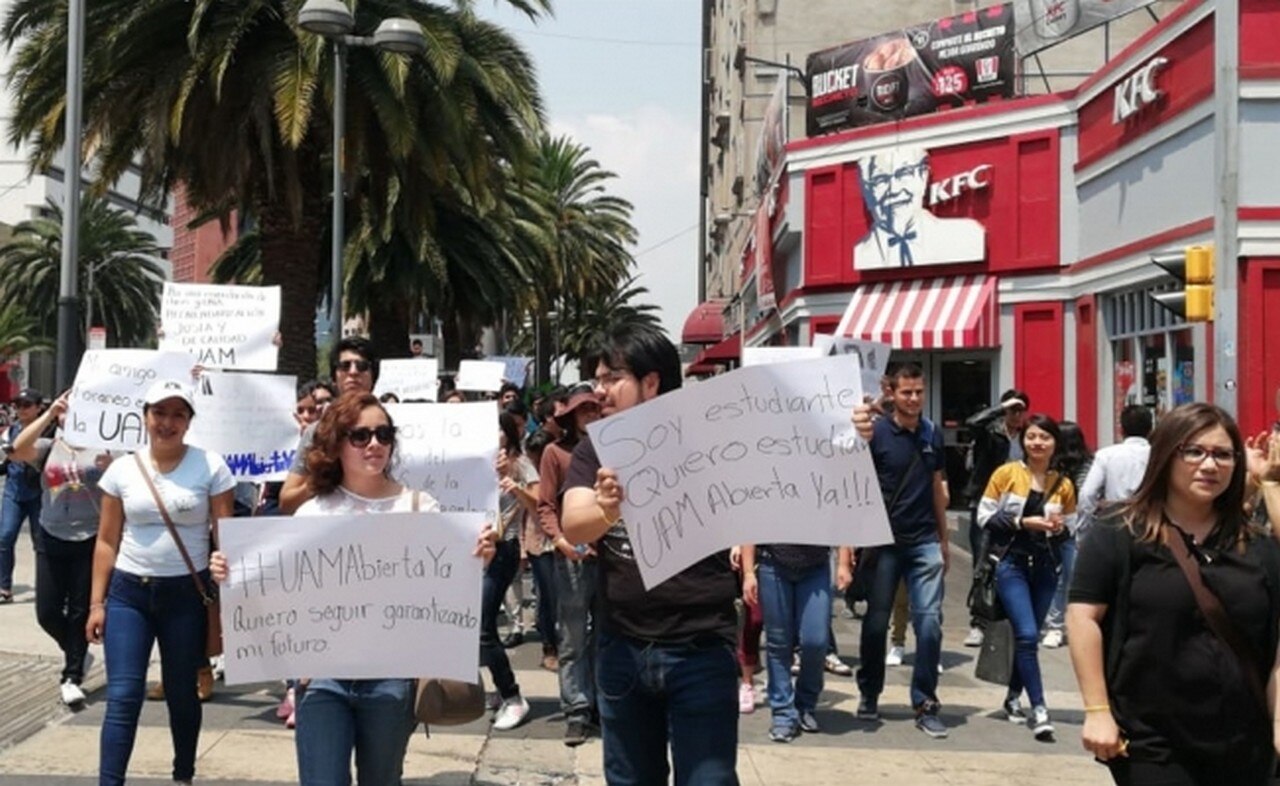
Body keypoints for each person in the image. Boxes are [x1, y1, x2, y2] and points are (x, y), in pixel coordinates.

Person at [212, 391, 496, 785]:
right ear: (337, 444)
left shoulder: (420, 507)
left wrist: (477, 557)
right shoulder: (313, 512)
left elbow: (447, 586)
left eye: (383, 434)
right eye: (360, 436)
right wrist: (232, 573)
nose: (374, 444)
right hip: (321, 676)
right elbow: (276, 588)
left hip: (391, 676)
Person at [562, 326, 739, 785]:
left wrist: (848, 435)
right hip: (622, 646)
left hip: (701, 651)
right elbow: (574, 523)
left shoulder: (712, 438)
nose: (600, 390)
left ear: (652, 382)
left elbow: (792, 459)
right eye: (597, 379)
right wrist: (607, 508)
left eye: (612, 378)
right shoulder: (594, 449)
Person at [1067, 403, 1280, 785]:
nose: (1209, 465)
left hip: (1245, 743)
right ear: (1166, 454)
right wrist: (1097, 710)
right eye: (1194, 451)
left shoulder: (1257, 545)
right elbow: (1083, 617)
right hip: (1153, 741)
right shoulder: (1120, 530)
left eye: (1223, 455)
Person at [87, 380, 236, 786]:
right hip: (128, 594)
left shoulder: (211, 467)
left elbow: (226, 535)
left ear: (189, 422)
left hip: (186, 596)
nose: (167, 422)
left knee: (182, 693)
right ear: (145, 417)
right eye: (159, 413)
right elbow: (106, 540)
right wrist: (97, 603)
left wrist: (225, 568)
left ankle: (183, 775)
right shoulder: (122, 470)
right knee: (122, 696)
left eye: (178, 414)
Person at [848, 363, 950, 738]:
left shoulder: (932, 433)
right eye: (907, 392)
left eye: (919, 391)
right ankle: (869, 691)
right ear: (891, 392)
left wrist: (943, 539)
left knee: (929, 623)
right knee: (876, 623)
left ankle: (925, 701)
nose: (914, 398)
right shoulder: (875, 433)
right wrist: (849, 547)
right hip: (883, 543)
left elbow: (937, 487)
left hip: (924, 541)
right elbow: (852, 483)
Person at [9, 390, 114, 705]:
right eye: (67, 412)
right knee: (48, 612)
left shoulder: (107, 449)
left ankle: (72, 676)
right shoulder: (49, 447)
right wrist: (49, 414)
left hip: (90, 537)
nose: (72, 417)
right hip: (51, 534)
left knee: (81, 610)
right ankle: (76, 653)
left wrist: (111, 465)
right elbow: (16, 450)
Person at [977, 414, 1077, 740]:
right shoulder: (1006, 474)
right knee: (1027, 634)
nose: (1037, 443)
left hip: (1046, 567)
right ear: (1023, 441)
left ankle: (1012, 697)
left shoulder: (1063, 484)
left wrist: (1058, 529)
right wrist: (1023, 523)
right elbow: (984, 516)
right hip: (1011, 564)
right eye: (1031, 436)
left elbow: (1071, 527)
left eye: (1044, 437)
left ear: (1055, 443)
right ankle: (1040, 709)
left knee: (1028, 640)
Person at [537, 385, 603, 746]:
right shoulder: (555, 452)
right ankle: (577, 708)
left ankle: (602, 703)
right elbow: (546, 505)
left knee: (607, 635)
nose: (590, 415)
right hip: (572, 557)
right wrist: (561, 540)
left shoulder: (614, 447)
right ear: (572, 416)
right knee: (573, 636)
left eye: (595, 408)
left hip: (610, 556)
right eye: (584, 410)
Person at [740, 539, 844, 743]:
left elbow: (839, 522)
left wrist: (843, 563)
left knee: (816, 642)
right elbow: (750, 525)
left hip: (816, 566)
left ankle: (806, 702)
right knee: (778, 643)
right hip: (773, 564)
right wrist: (749, 572)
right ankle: (782, 712)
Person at [961, 389, 1030, 647]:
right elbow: (972, 424)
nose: (1016, 415)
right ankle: (978, 623)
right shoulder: (990, 434)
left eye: (1020, 410)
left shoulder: (1027, 436)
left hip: (1018, 507)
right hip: (987, 505)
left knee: (1015, 563)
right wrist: (1000, 409)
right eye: (1012, 410)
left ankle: (1011, 618)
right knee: (982, 564)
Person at [279, 337, 379, 514]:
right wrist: (321, 477)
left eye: (362, 366)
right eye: (344, 366)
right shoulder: (318, 432)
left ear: (373, 376)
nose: (353, 372)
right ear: (335, 377)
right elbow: (287, 503)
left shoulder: (397, 427)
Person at [483, 412, 538, 731]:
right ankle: (497, 689)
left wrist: (513, 484)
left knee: (483, 627)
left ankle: (513, 696)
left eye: (496, 428)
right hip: (472, 551)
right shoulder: (473, 463)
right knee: (473, 625)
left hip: (503, 549)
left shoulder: (521, 463)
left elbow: (539, 503)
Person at [853, 146, 985, 270]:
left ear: (923, 176)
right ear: (866, 190)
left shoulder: (966, 235)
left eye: (904, 173)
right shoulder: (862, 252)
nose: (894, 189)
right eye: (880, 180)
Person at [1042, 420, 1093, 649]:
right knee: (1067, 578)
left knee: (1059, 578)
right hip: (1077, 528)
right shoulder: (1089, 464)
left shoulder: (1052, 466)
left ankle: (1054, 624)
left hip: (1053, 527)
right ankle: (1059, 624)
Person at [0, 387, 48, 602]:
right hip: (14, 490)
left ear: (39, 408)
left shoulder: (48, 432)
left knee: (41, 543)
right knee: (5, 536)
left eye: (26, 405)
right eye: (17, 405)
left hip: (39, 493)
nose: (21, 409)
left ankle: (46, 588)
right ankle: (4, 587)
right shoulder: (10, 430)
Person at [1076, 404, 1154, 532]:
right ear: (1151, 429)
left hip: (1115, 522)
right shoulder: (1159, 455)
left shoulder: (1106, 455)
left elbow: (1087, 494)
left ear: (1121, 430)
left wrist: (1084, 526)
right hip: (1150, 523)